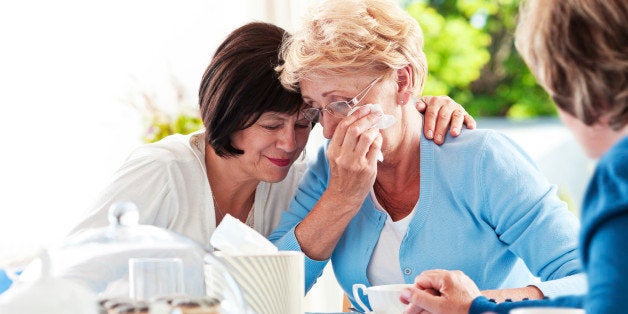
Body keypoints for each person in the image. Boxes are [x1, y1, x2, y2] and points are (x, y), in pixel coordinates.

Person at [267, 0, 587, 311]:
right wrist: (341, 197)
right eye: (317, 109)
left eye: (342, 103)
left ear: (402, 82)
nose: (329, 131)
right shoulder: (330, 167)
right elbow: (272, 289)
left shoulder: (482, 161)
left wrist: (480, 307)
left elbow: (592, 280)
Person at [67, 23, 471, 252]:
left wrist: (418, 108)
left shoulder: (293, 184)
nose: (290, 144)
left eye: (303, 123)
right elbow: (67, 276)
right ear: (226, 110)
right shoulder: (163, 173)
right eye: (271, 125)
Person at [400, 0, 628, 313]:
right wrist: (477, 307)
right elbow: (611, 295)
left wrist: (479, 308)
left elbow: (597, 290)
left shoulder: (619, 177)